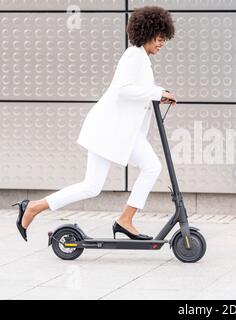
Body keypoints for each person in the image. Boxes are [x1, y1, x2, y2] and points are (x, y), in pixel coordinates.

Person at [12, 6, 176, 242]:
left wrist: (156, 94)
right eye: (160, 38)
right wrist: (158, 91)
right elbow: (123, 89)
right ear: (148, 33)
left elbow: (135, 91)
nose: (162, 43)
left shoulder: (141, 58)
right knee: (92, 186)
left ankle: (125, 220)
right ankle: (34, 207)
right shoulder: (134, 55)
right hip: (108, 131)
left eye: (164, 39)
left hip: (122, 133)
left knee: (151, 167)